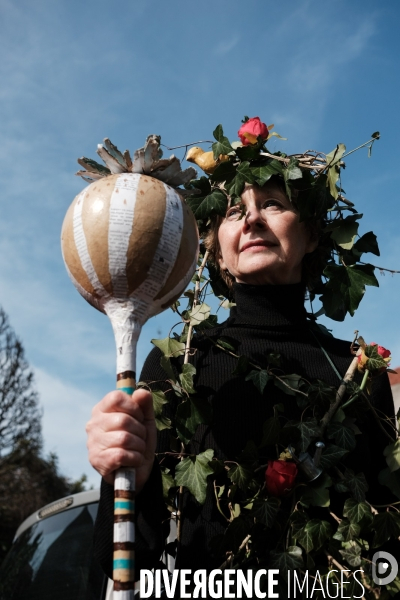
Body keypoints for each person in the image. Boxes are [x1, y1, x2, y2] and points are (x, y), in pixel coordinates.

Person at [87, 176, 396, 587]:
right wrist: (125, 479)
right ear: (217, 253)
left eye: (272, 203)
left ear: (311, 235)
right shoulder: (178, 364)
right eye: (234, 210)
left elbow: (386, 547)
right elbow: (126, 564)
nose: (251, 219)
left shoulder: (357, 372)